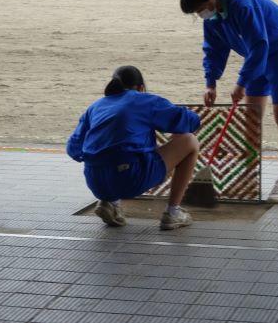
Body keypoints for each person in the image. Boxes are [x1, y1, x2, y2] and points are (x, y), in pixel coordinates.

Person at [180, 0, 278, 203]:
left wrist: (242, 83)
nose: (201, 15)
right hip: (254, 55)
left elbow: (260, 44)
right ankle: (248, 175)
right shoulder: (212, 17)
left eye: (199, 10)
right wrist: (210, 83)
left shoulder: (243, 4)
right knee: (251, 118)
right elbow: (213, 49)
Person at [67, 65, 201, 230]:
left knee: (114, 154)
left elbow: (73, 149)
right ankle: (173, 213)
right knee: (190, 141)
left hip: (95, 182)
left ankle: (110, 202)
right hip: (132, 178)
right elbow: (190, 121)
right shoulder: (145, 100)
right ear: (141, 88)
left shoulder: (95, 107)